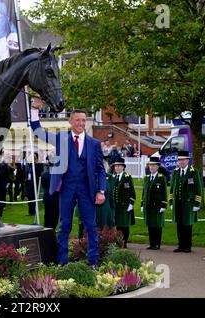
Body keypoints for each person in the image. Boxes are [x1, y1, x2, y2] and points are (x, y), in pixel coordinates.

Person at [30, 107, 106, 268]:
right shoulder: (61, 138)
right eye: (77, 120)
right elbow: (38, 131)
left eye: (83, 120)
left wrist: (101, 191)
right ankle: (62, 261)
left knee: (91, 226)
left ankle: (93, 262)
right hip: (67, 189)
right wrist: (35, 110)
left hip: (87, 190)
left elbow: (101, 170)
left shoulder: (94, 144)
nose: (81, 123)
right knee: (65, 225)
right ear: (70, 121)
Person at [169, 150, 202, 253]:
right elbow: (171, 188)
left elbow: (198, 188)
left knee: (187, 225)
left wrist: (197, 203)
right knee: (179, 225)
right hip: (177, 203)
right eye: (179, 160)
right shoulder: (175, 172)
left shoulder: (193, 172)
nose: (181, 162)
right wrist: (171, 202)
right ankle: (180, 245)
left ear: (188, 160)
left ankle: (187, 246)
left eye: (183, 160)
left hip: (188, 204)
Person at [141, 157, 167, 250]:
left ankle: (157, 244)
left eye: (154, 165)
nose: (151, 167)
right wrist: (142, 204)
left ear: (157, 167)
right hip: (148, 205)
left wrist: (164, 205)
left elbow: (164, 192)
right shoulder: (147, 178)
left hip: (158, 205)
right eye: (150, 165)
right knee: (150, 225)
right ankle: (152, 243)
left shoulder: (161, 178)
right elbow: (144, 192)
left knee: (157, 225)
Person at [112, 158, 136, 248]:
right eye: (116, 166)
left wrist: (131, 203)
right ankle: (118, 242)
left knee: (125, 225)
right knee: (118, 225)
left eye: (119, 166)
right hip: (116, 206)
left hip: (125, 205)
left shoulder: (127, 177)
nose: (117, 168)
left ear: (123, 167)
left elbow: (131, 192)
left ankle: (124, 242)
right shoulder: (113, 177)